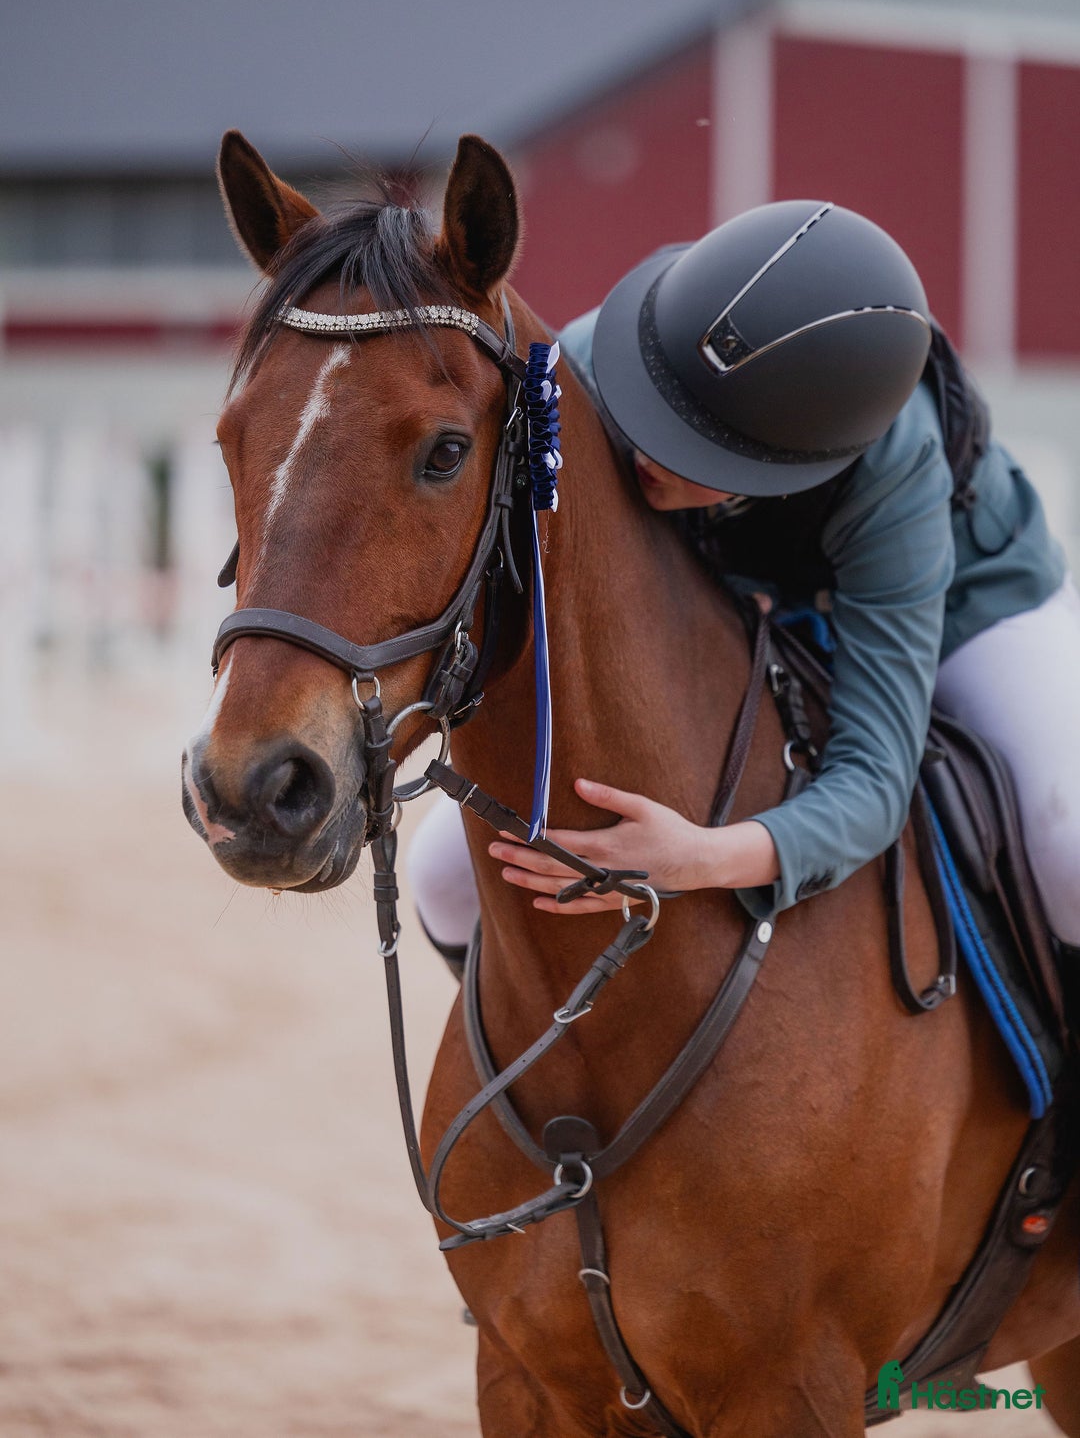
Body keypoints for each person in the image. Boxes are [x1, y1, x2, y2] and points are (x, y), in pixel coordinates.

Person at [408, 200, 1080, 1024]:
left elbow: (875, 779)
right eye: (651, 409)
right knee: (443, 876)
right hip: (711, 588)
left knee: (1071, 855)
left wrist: (700, 857)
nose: (647, 449)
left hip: (970, 601)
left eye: (697, 449)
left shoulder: (892, 472)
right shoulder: (593, 363)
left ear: (788, 469)